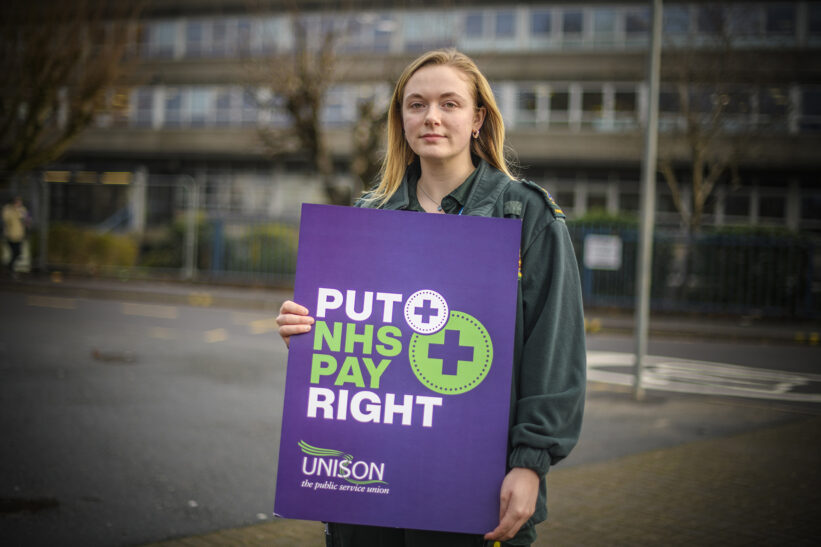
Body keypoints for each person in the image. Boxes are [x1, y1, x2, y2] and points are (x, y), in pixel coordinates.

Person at [277, 49, 586, 547]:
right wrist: (311, 336)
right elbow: (359, 342)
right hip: (368, 491)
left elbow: (554, 350)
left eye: (450, 103)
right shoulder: (367, 216)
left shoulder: (523, 215)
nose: (432, 117)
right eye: (416, 104)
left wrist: (530, 465)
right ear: (401, 120)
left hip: (473, 489)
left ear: (478, 118)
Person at [2, 196, 30, 278]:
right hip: (10, 235)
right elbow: (6, 219)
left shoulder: (22, 210)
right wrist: (15, 212)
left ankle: (10, 267)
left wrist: (26, 220)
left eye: (20, 202)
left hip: (19, 235)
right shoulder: (8, 210)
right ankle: (11, 269)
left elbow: (27, 219)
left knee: (18, 253)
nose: (19, 204)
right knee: (14, 252)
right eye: (17, 202)